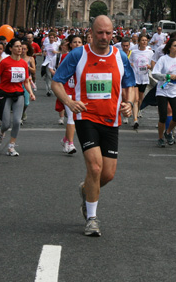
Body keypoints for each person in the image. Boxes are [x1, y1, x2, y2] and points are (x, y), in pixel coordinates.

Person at [51, 15, 135, 237]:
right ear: (91, 33)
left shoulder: (120, 57)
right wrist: (69, 102)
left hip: (111, 120)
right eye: (100, 33)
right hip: (86, 118)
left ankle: (86, 190)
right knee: (95, 168)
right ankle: (92, 218)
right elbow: (56, 81)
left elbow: (130, 85)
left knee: (107, 174)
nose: (105, 37)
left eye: (108, 33)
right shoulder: (78, 55)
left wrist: (129, 104)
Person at [0, 38, 36, 156]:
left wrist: (30, 92)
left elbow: (26, 81)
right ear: (10, 48)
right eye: (16, 46)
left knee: (16, 121)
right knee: (6, 124)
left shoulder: (23, 64)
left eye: (20, 46)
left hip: (18, 94)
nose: (19, 48)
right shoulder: (5, 62)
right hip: (5, 94)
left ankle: (11, 146)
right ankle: (1, 133)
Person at [152, 38, 176, 147]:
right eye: (174, 46)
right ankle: (160, 138)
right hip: (163, 90)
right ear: (169, 47)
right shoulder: (163, 59)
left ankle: (168, 132)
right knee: (162, 117)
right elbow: (154, 74)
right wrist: (167, 76)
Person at [58, 34, 83, 155]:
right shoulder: (65, 57)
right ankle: (71, 144)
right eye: (75, 42)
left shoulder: (85, 58)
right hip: (67, 91)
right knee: (72, 117)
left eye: (79, 42)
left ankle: (65, 139)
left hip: (79, 92)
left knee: (77, 119)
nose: (77, 44)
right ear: (70, 44)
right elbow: (60, 75)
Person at [129, 34, 153, 130]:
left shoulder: (150, 52)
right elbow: (130, 61)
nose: (144, 42)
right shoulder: (134, 52)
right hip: (135, 77)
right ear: (138, 42)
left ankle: (138, 110)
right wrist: (133, 65)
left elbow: (152, 64)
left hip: (144, 78)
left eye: (145, 40)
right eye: (142, 40)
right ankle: (135, 119)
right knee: (136, 98)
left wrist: (149, 66)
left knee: (140, 98)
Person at [42, 31, 60, 96]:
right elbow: (44, 52)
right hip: (48, 61)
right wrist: (44, 53)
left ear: (55, 38)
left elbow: (60, 52)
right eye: (50, 38)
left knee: (55, 75)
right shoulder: (47, 45)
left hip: (55, 62)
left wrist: (55, 52)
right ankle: (49, 90)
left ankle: (55, 88)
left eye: (52, 38)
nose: (51, 39)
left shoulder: (57, 45)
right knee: (48, 76)